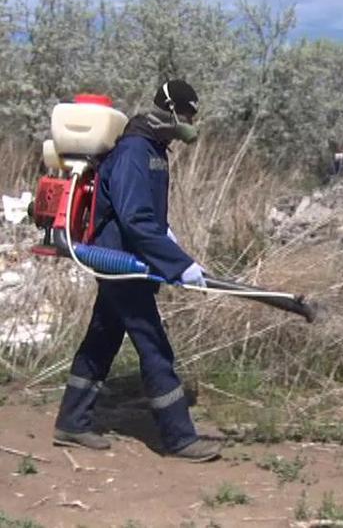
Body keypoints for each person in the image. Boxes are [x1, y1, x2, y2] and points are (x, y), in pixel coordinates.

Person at [53, 79, 222, 462]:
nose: (192, 123)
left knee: (103, 336)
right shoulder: (134, 150)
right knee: (153, 345)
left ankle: (72, 423)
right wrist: (181, 265)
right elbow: (135, 220)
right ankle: (178, 437)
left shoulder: (155, 149)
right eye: (190, 114)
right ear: (174, 112)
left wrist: (169, 240)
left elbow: (147, 217)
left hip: (131, 259)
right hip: (120, 262)